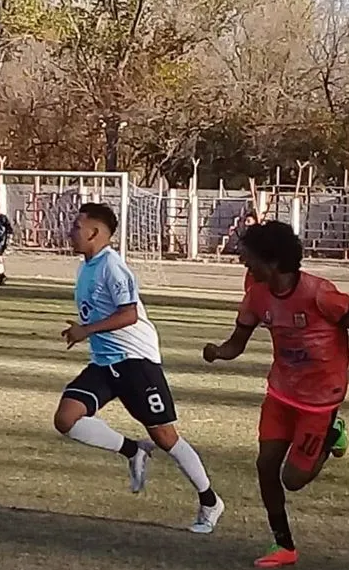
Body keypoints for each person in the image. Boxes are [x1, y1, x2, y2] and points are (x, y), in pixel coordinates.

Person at [203, 220, 349, 568]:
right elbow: (236, 344)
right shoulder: (257, 294)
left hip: (320, 400)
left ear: (272, 262)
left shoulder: (318, 293)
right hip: (281, 393)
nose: (244, 263)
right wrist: (218, 352)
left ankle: (332, 432)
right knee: (266, 466)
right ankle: (283, 545)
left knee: (293, 480)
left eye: (250, 257)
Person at [56, 202, 224, 533]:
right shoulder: (87, 266)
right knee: (66, 418)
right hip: (105, 363)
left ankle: (210, 501)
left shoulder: (113, 267)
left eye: (77, 226)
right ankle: (133, 450)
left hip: (136, 362)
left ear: (95, 233)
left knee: (166, 437)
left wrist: (85, 330)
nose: (71, 231)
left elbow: (129, 314)